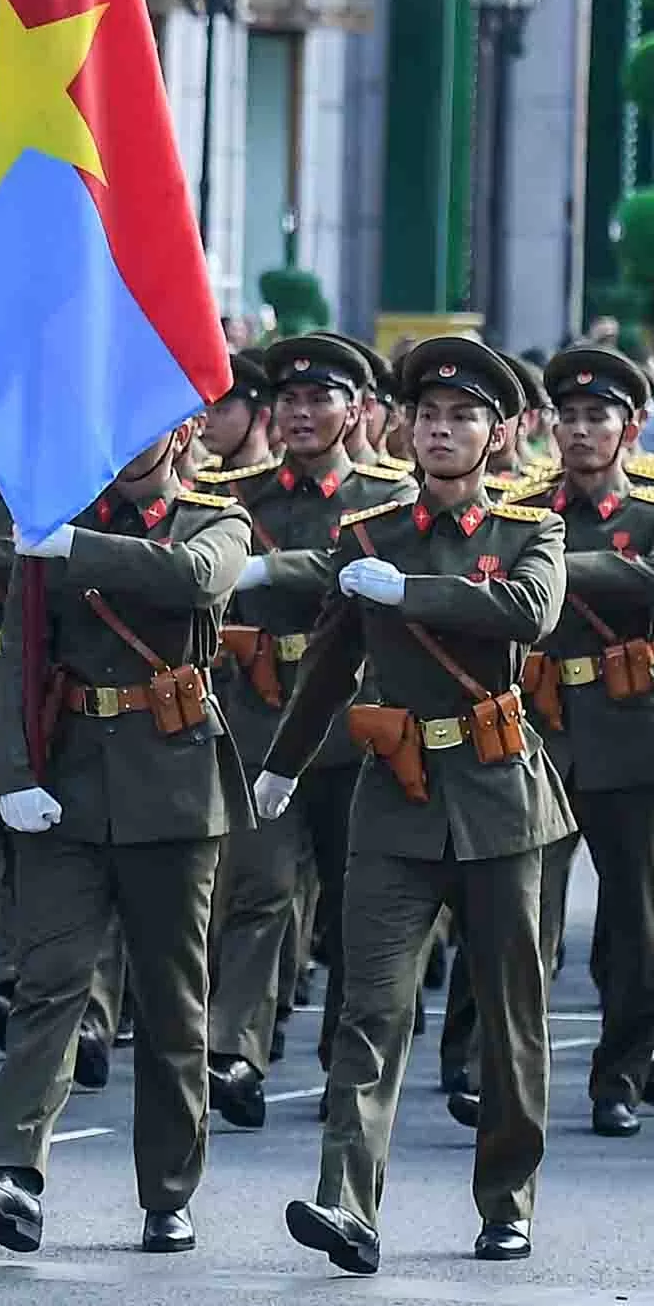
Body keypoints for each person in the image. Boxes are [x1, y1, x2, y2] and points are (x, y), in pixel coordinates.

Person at [256, 333, 566, 1273]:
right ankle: (346, 1201)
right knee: (370, 1009)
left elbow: (527, 613)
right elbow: (328, 665)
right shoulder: (365, 535)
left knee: (509, 1013)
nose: (441, 431)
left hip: (498, 799)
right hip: (392, 802)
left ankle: (506, 1200)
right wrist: (281, 766)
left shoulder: (527, 531)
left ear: (498, 433)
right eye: (427, 417)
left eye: (462, 417)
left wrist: (413, 592)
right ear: (403, 427)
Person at [0, 415, 254, 1257]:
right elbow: (20, 662)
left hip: (175, 791)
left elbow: (191, 579)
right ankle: (8, 1170)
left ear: (182, 434)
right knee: (49, 983)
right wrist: (14, 778)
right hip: (70, 782)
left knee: (170, 1001)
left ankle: (168, 1190)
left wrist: (63, 546)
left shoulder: (214, 520)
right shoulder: (58, 523)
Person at [202, 332, 410, 1128]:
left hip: (358, 719)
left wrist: (266, 569)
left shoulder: (387, 496)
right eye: (287, 399)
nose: (299, 412)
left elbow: (353, 568)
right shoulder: (240, 492)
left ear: (354, 410)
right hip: (260, 716)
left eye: (318, 398)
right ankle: (237, 1052)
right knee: (258, 891)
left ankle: (344, 1059)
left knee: (358, 907)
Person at [516, 344, 654, 1137]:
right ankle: (510, 1071)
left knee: (636, 920)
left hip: (631, 729)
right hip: (543, 724)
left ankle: (621, 1071)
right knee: (525, 914)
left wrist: (550, 565)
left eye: (599, 417)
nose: (582, 430)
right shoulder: (522, 507)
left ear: (631, 430)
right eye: (570, 417)